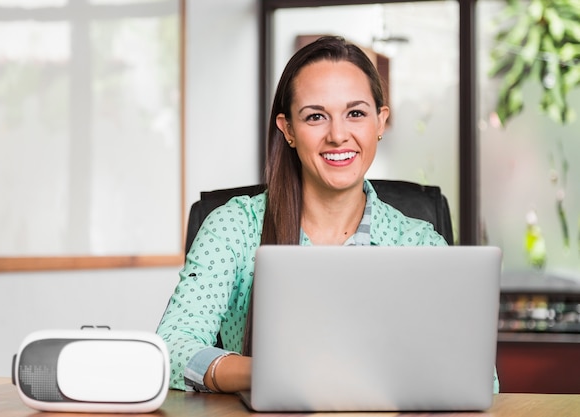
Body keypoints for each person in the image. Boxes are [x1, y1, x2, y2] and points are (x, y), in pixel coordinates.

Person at [156, 35, 498, 394]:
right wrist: (270, 374)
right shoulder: (235, 227)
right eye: (316, 116)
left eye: (355, 113)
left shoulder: (421, 244)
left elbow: (480, 378)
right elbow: (173, 349)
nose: (338, 135)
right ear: (288, 129)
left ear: (380, 122)